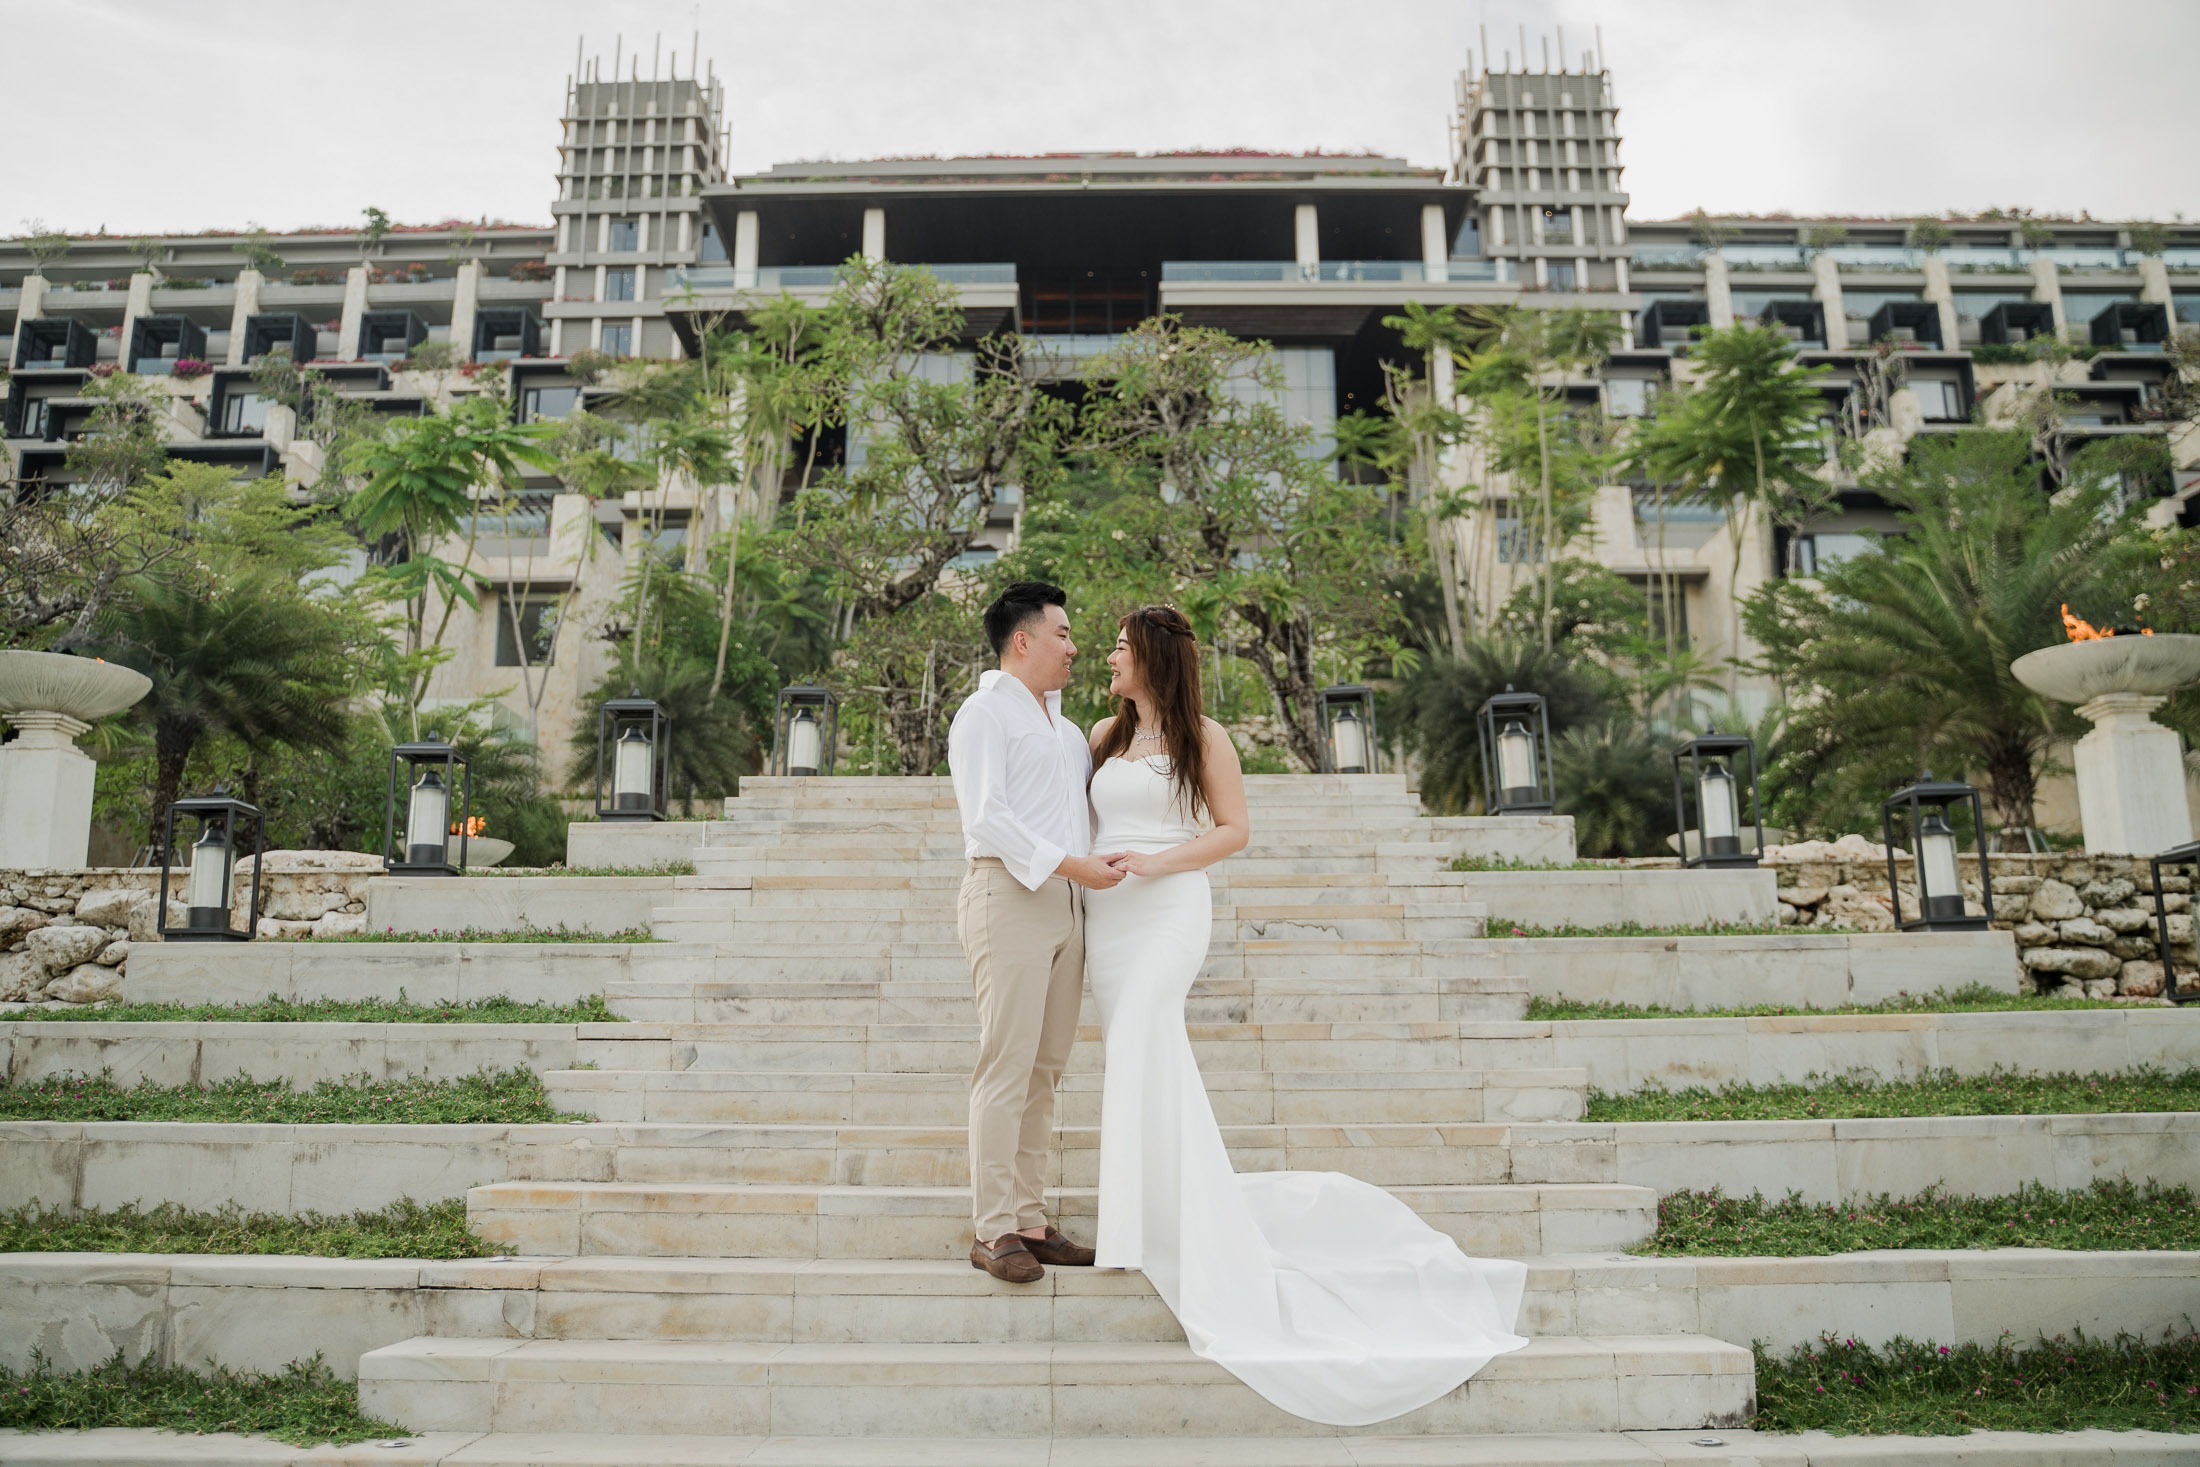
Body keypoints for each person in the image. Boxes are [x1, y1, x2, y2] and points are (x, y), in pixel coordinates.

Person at [1083, 603, 1530, 1427]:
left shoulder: (1205, 738)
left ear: (1152, 657)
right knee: (1137, 1054)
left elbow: (1234, 831)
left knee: (1151, 1031)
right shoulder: (1099, 739)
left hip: (1168, 909)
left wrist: (1156, 862)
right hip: (1107, 921)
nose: (1108, 657)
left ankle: (1157, 1224)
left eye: (1118, 646)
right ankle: (1150, 1213)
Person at [946, 581, 1124, 1283]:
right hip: (1007, 891)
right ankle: (993, 1229)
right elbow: (985, 817)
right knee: (1006, 1062)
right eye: (1064, 633)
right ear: (1024, 639)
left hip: (1069, 902)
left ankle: (1029, 1217)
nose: (1075, 647)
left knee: (1046, 1069)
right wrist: (1074, 863)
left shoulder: (1069, 728)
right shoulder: (983, 714)